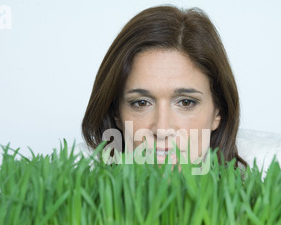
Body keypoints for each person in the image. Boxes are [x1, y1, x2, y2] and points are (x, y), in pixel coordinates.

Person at [81, 5, 247, 170]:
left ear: (218, 112)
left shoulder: (263, 174)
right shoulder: (79, 179)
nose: (162, 130)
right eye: (141, 103)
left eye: (186, 102)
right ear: (116, 113)